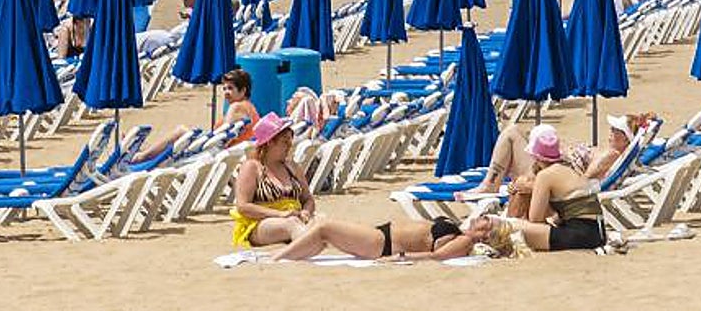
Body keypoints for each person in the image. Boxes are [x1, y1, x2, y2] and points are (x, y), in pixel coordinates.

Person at [458, 116, 642, 202]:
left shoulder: (610, 155)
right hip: (551, 167)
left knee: (511, 133)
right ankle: (492, 181)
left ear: (626, 139)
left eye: (616, 130)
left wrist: (555, 165)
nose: (610, 131)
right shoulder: (612, 154)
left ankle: (490, 184)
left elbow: (582, 182)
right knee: (517, 134)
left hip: (549, 174)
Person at [500, 129, 609, 251]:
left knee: (512, 228)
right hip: (598, 233)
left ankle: (507, 219)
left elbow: (535, 219)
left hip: (580, 235)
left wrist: (530, 192)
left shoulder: (545, 176)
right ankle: (509, 219)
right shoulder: (568, 169)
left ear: (536, 157)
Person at [134, 68, 260, 162]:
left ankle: (143, 156)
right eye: (224, 88)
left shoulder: (236, 107)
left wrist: (203, 142)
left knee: (181, 131)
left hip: (217, 152)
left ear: (243, 90)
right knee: (183, 135)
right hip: (235, 154)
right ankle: (145, 155)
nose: (226, 92)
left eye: (230, 88)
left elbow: (224, 136)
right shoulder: (250, 107)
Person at [230, 113, 316, 249]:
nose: (289, 145)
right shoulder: (252, 167)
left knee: (321, 222)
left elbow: (308, 199)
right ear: (270, 142)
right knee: (291, 224)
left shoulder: (292, 167)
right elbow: (243, 206)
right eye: (285, 142)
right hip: (260, 222)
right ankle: (308, 249)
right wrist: (280, 214)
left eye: (290, 141)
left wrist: (306, 212)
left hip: (294, 217)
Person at [271, 214, 493, 262]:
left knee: (324, 228)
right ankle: (285, 257)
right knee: (320, 231)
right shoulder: (460, 230)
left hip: (383, 244)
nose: (481, 216)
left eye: (487, 220)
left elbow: (437, 256)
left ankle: (276, 259)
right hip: (380, 235)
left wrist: (400, 257)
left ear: (485, 236)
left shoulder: (464, 241)